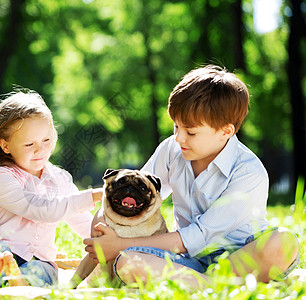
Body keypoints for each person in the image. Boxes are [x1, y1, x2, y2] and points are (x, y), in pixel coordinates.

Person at [83, 65, 300, 288]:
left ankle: (207, 284)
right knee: (127, 263)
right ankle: (214, 285)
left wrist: (118, 244)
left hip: (242, 258)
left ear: (226, 131)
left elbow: (200, 237)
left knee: (283, 241)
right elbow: (140, 193)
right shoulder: (172, 150)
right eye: (176, 127)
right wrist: (102, 221)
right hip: (187, 261)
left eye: (191, 132)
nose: (178, 138)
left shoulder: (248, 172)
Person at [0, 90, 103, 289]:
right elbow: (41, 209)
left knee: (44, 272)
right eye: (29, 144)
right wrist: (94, 195)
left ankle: (16, 282)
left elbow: (83, 222)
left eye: (46, 140)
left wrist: (106, 241)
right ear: (5, 145)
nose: (40, 150)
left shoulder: (60, 179)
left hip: (40, 259)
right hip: (2, 249)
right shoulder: (1, 177)